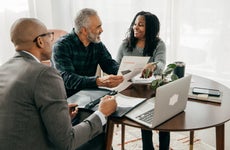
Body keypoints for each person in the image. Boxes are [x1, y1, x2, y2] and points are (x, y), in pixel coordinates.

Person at [0, 18, 117, 150]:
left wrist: (59, 114)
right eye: (49, 36)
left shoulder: (3, 69)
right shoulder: (45, 74)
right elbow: (67, 142)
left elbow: (22, 113)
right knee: (99, 137)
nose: (51, 40)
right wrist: (101, 113)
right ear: (40, 41)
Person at [116, 11, 170, 150]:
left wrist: (153, 66)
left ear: (150, 28)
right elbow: (116, 66)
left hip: (152, 89)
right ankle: (147, 146)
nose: (136, 27)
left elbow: (161, 64)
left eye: (141, 25)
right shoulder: (125, 45)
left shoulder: (159, 44)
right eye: (135, 24)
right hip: (131, 89)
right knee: (143, 115)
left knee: (164, 116)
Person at [52, 8, 124, 97]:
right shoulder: (61, 46)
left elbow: (109, 64)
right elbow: (68, 79)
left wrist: (124, 72)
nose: (102, 30)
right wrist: (99, 81)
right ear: (84, 30)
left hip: (88, 94)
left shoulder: (96, 43)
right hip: (67, 99)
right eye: (98, 27)